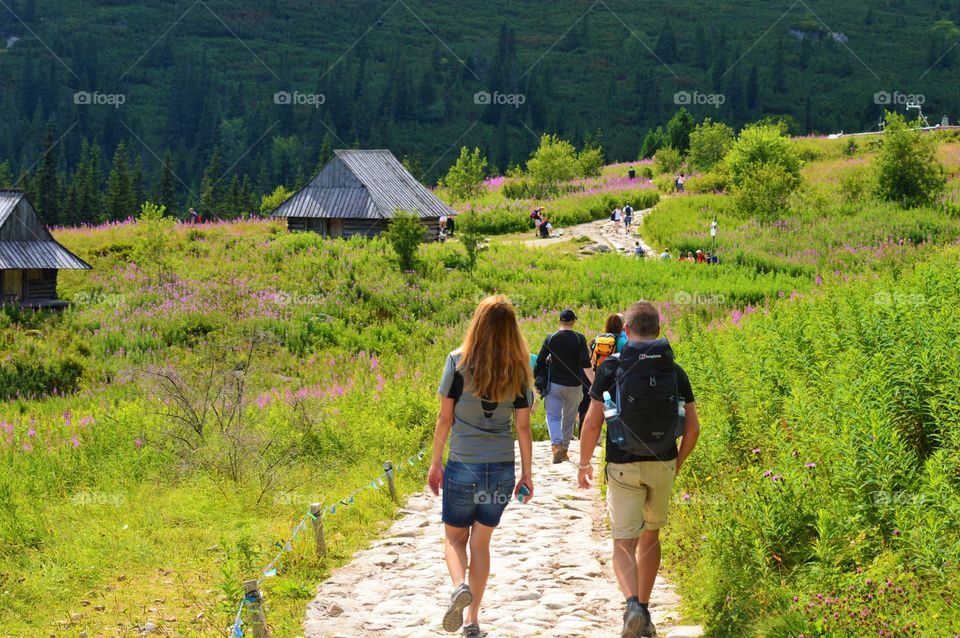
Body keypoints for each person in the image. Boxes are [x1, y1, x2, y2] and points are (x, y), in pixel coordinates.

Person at [577, 301, 700, 638]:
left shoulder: (611, 368)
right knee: (651, 535)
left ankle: (631, 604)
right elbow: (692, 429)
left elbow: (592, 423)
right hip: (663, 462)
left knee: (623, 542)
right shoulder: (674, 370)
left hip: (622, 465)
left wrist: (584, 463)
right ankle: (644, 612)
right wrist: (676, 464)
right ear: (659, 330)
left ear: (626, 331)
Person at [428, 295, 535, 637]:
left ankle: (458, 586)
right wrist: (527, 473)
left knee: (454, 538)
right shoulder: (519, 369)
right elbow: (523, 426)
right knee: (481, 544)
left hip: (463, 465)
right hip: (500, 470)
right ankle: (472, 621)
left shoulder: (456, 362)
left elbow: (445, 418)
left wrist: (435, 463)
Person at [533, 309, 594, 464]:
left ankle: (556, 445)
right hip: (575, 385)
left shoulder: (551, 338)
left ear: (560, 321)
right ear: (573, 322)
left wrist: (536, 381)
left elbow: (540, 361)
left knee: (553, 416)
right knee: (569, 418)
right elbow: (585, 364)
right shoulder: (579, 338)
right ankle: (565, 450)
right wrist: (594, 383)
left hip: (555, 384)